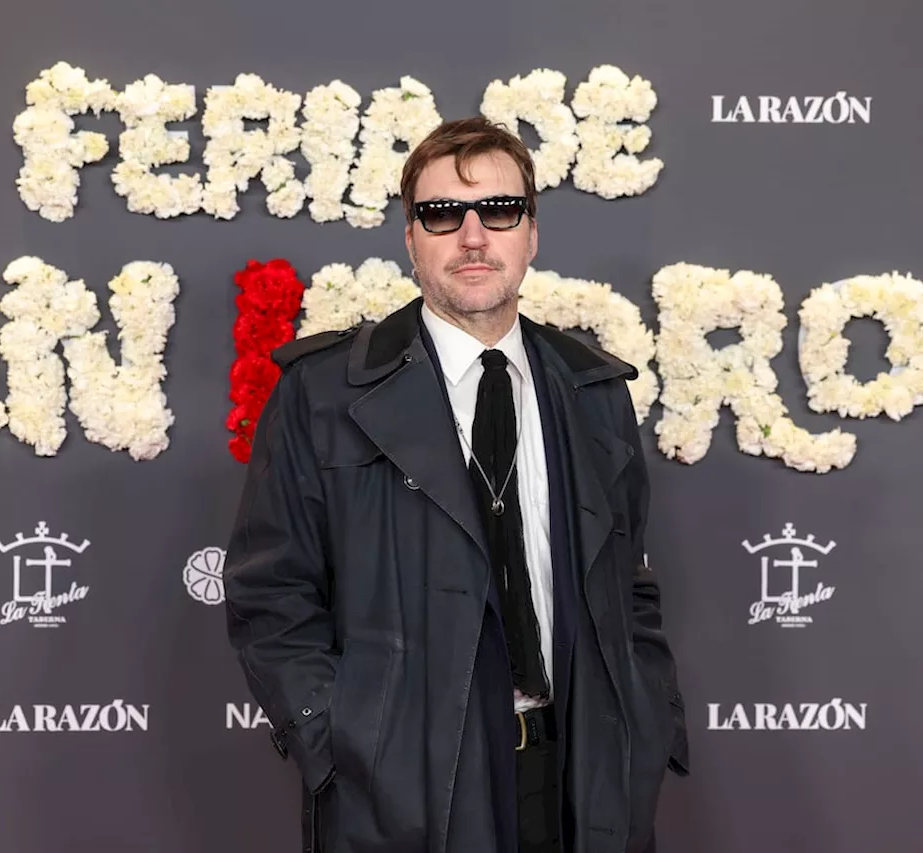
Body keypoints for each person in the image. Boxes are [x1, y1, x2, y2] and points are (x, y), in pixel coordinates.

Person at [224, 116, 689, 853]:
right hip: (405, 789)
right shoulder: (325, 394)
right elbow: (269, 593)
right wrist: (340, 739)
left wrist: (644, 713)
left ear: (530, 234)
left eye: (499, 210)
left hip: (579, 773)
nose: (473, 236)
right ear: (410, 238)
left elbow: (629, 586)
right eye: (442, 214)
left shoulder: (594, 390)